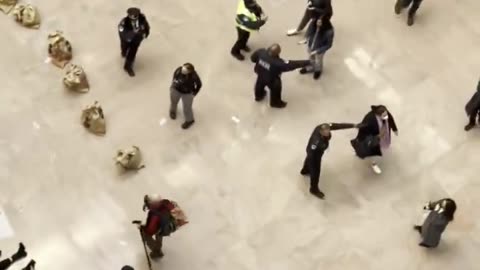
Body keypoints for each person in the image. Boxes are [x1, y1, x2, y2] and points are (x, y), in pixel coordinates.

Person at [301, 123, 360, 199]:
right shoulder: (316, 142)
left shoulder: (321, 127)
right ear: (321, 132)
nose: (327, 133)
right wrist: (313, 163)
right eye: (325, 132)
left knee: (308, 160)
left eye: (328, 131)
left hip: (316, 152)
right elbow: (311, 152)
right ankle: (314, 189)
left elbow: (337, 126)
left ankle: (305, 170)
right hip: (314, 155)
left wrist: (352, 125)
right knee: (316, 172)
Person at [250, 44, 310, 108]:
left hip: (260, 72)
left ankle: (259, 96)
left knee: (259, 84)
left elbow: (253, 59)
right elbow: (292, 64)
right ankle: (275, 103)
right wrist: (307, 62)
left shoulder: (261, 52)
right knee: (276, 88)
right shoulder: (278, 63)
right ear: (277, 53)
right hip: (272, 78)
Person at [351, 105, 398, 174]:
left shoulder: (385, 112)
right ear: (378, 115)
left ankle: (382, 147)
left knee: (382, 146)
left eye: (386, 114)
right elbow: (363, 129)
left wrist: (394, 129)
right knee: (373, 151)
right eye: (384, 115)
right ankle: (374, 164)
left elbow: (390, 119)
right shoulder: (370, 119)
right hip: (375, 137)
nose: (386, 116)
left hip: (384, 135)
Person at [299, 14, 334, 80]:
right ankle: (310, 67)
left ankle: (318, 70)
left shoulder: (329, 32)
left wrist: (317, 51)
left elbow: (329, 45)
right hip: (311, 45)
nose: (318, 24)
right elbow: (308, 31)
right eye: (317, 22)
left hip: (319, 49)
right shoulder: (313, 23)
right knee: (311, 58)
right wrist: (306, 39)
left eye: (320, 23)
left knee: (318, 60)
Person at [118, 7, 150, 77]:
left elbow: (146, 26)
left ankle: (127, 67)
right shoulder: (124, 22)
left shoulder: (142, 20)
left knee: (132, 53)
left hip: (136, 40)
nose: (134, 17)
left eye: (135, 16)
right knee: (124, 48)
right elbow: (122, 33)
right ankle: (123, 52)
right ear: (129, 15)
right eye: (132, 16)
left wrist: (146, 34)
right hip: (126, 40)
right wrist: (132, 33)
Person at [169, 63, 202, 129]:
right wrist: (173, 85)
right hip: (176, 89)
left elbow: (199, 84)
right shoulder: (179, 70)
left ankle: (190, 120)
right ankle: (172, 111)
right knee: (173, 101)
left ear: (190, 71)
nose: (183, 70)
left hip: (187, 93)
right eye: (183, 68)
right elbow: (174, 77)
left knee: (187, 108)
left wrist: (194, 93)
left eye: (185, 70)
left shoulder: (194, 76)